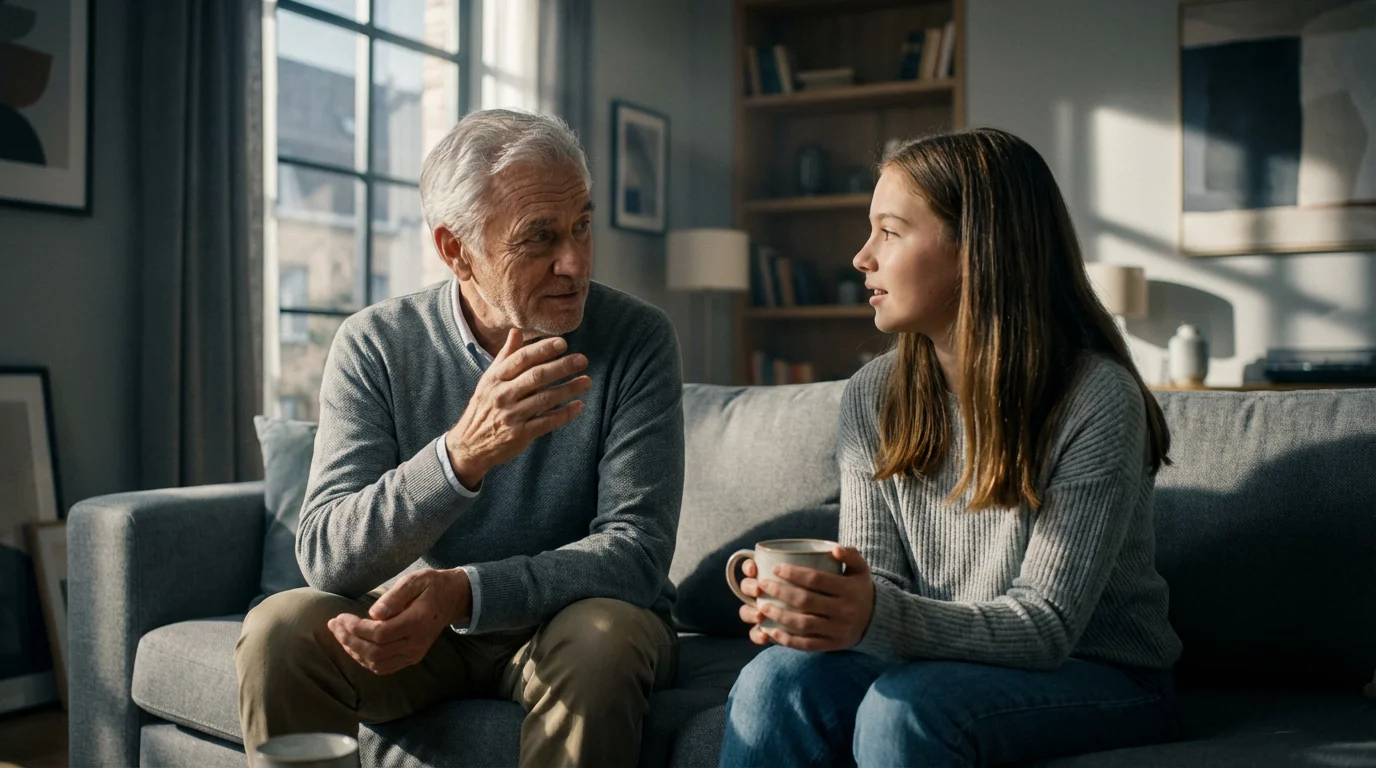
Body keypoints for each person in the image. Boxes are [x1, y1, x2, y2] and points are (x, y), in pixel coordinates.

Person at [718, 128, 1183, 767]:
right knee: (775, 680)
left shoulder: (1095, 398)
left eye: (890, 230)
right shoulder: (873, 395)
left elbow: (1047, 625)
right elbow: (878, 580)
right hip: (932, 657)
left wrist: (872, 614)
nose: (861, 257)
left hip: (1101, 674)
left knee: (905, 709)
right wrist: (829, 607)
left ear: (977, 249)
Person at [236, 109, 684, 768]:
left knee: (604, 638)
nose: (575, 262)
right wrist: (460, 458)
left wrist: (469, 591)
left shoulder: (638, 338)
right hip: (424, 638)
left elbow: (638, 552)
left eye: (582, 225)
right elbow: (329, 556)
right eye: (540, 238)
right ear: (455, 250)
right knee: (280, 631)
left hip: (569, 624)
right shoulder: (376, 344)